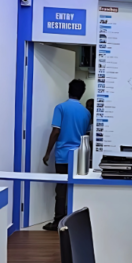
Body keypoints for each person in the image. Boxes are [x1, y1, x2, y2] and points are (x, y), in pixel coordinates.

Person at [42, 79, 91, 231]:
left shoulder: (61, 108)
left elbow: (56, 131)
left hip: (63, 155)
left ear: (69, 90)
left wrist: (47, 152)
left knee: (61, 189)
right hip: (79, 157)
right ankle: (75, 223)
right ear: (82, 93)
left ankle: (58, 221)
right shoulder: (86, 112)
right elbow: (87, 135)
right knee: (77, 189)